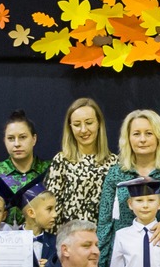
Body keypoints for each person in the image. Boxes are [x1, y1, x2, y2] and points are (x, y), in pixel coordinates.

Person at [95, 109, 160, 266]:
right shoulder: (116, 174)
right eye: (136, 134)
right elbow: (104, 224)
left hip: (158, 255)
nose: (142, 139)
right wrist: (101, 266)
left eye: (149, 133)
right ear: (128, 138)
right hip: (122, 258)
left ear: (159, 136)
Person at [49, 97, 115, 227]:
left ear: (99, 123)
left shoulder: (114, 162)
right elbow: (53, 208)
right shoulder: (61, 160)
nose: (83, 130)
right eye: (77, 124)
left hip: (103, 236)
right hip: (70, 235)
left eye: (89, 123)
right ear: (70, 127)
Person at [0, 111, 50, 225]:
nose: (17, 144)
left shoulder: (49, 170)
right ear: (4, 141)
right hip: (0, 235)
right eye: (11, 138)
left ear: (34, 139)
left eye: (23, 137)